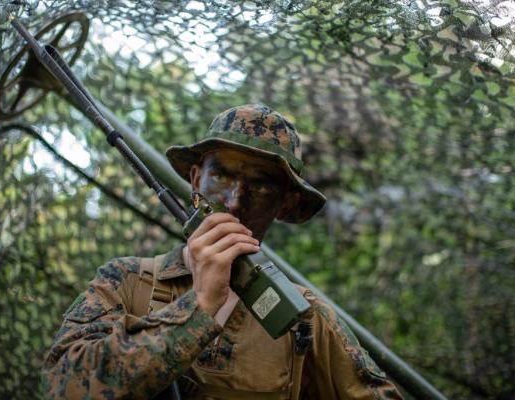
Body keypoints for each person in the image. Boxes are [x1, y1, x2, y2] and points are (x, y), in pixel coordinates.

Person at [43, 104, 402, 399]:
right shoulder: (126, 281)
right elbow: (62, 386)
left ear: (285, 202)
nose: (234, 202)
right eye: (222, 177)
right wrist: (200, 306)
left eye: (260, 186)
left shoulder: (304, 319)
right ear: (197, 180)